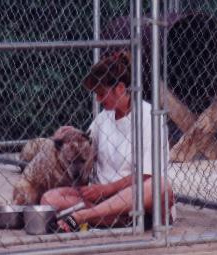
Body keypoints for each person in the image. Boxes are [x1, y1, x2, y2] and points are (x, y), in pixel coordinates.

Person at [40, 50, 174, 232]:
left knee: (160, 185)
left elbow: (147, 175)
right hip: (102, 201)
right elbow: (85, 147)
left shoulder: (149, 117)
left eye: (101, 93)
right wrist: (66, 135)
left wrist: (107, 189)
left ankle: (83, 216)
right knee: (49, 198)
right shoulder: (103, 118)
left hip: (137, 198)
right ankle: (113, 218)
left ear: (120, 88)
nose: (97, 99)